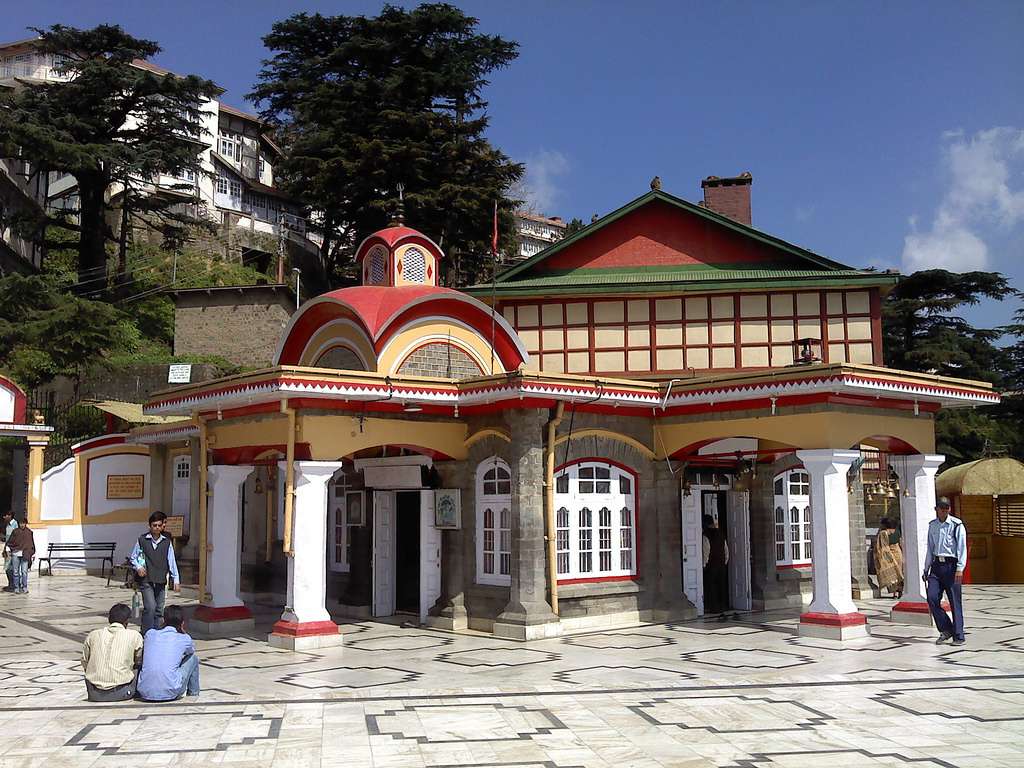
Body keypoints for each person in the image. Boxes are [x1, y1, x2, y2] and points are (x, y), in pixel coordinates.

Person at [924, 496, 967, 646]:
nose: (944, 511)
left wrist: (960, 568)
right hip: (936, 566)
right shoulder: (933, 525)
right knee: (932, 597)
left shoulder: (956, 525)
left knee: (955, 602)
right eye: (941, 508)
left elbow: (962, 548)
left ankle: (959, 635)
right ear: (937, 509)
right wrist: (926, 568)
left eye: (946, 508)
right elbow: (930, 548)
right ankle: (946, 628)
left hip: (951, 566)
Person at [130, 511, 180, 635]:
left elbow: (171, 561)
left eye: (158, 525)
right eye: (154, 525)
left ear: (162, 526)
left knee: (159, 609)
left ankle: (157, 633)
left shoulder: (166, 542)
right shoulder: (142, 540)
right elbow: (133, 557)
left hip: (161, 579)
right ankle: (146, 632)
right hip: (146, 579)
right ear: (149, 526)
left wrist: (176, 579)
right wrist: (138, 567)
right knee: (150, 607)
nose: (156, 528)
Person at [82, 603, 144, 701]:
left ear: (109, 619)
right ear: (127, 621)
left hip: (94, 694)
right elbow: (139, 660)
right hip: (122, 692)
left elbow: (85, 663)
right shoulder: (135, 636)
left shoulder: (92, 635)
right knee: (140, 665)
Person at [136, 605, 200, 701]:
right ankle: (194, 693)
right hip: (171, 692)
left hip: (144, 691)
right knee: (193, 658)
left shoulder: (150, 634)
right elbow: (190, 651)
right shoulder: (185, 638)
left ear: (163, 620)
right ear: (182, 623)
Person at [702, 514, 730, 620]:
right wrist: (725, 561)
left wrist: (704, 564)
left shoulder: (706, 535)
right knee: (721, 585)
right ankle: (722, 606)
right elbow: (726, 550)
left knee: (711, 586)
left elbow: (706, 551)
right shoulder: (721, 534)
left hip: (712, 565)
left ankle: (713, 606)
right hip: (721, 564)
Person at [874, 517, 904, 598]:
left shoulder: (890, 532)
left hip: (895, 552)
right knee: (894, 573)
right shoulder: (884, 533)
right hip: (891, 552)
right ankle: (895, 592)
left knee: (898, 572)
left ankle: (899, 591)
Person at [3, 517, 35, 594]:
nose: (22, 525)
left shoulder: (29, 532)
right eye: (20, 523)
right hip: (16, 554)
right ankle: (16, 587)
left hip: (25, 554)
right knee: (16, 572)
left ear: (25, 523)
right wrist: (8, 549)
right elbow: (10, 541)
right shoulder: (15, 531)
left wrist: (32, 553)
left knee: (24, 572)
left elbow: (31, 544)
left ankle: (24, 587)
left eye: (23, 523)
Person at [1, 511, 17, 592]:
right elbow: (7, 539)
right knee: (8, 568)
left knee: (9, 568)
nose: (4, 518)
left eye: (5, 516)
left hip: (12, 550)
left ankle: (13, 585)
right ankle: (11, 584)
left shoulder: (15, 525)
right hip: (7, 549)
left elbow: (15, 538)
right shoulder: (8, 525)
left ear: (10, 516)